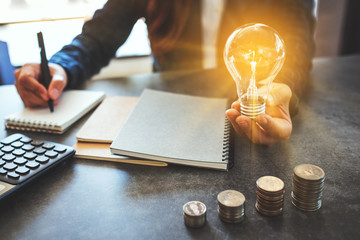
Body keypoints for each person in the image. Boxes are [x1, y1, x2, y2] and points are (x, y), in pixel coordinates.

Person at [14, 0, 316, 145]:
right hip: (169, 111)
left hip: (236, 112)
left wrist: (281, 90)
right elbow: (99, 35)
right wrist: (61, 65)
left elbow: (295, 44)